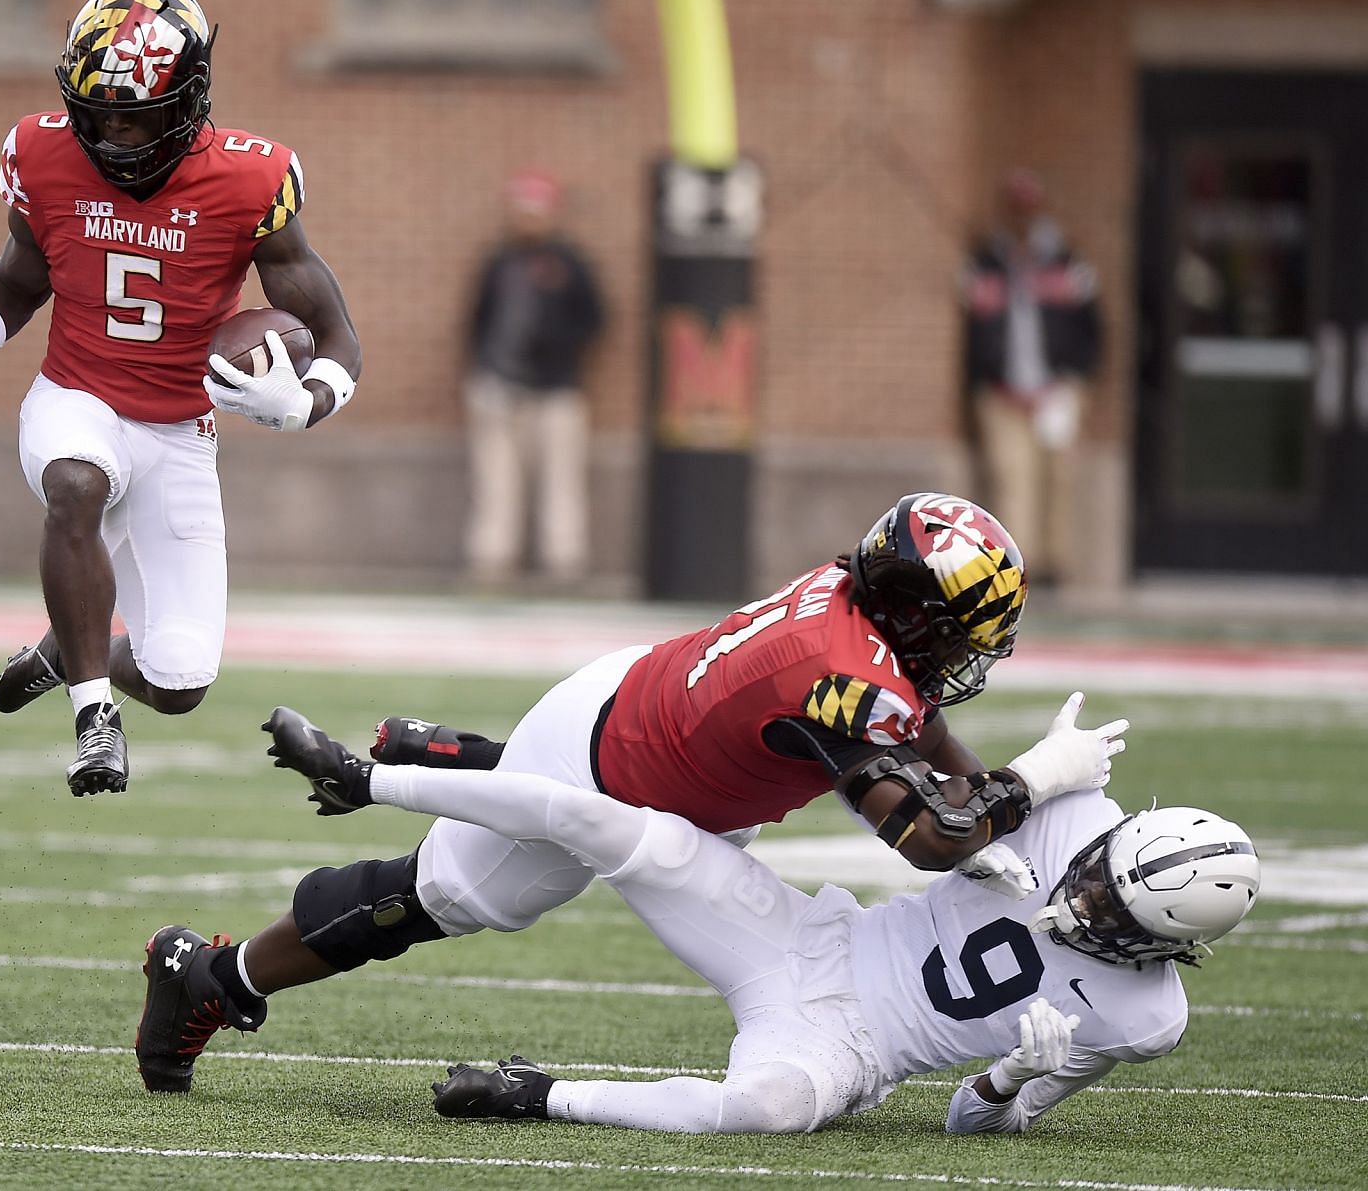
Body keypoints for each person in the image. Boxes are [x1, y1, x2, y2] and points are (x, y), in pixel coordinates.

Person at [132, 493, 1132, 1094]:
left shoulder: (857, 605)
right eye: (961, 632)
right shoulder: (845, 672)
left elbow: (907, 725)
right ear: (912, 614)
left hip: (657, 726)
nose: (966, 655)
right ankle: (212, 976)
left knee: (500, 868)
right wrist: (1030, 779)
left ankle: (462, 757)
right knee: (436, 897)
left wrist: (980, 786)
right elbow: (923, 835)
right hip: (605, 768)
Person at [285, 740, 1260, 1134]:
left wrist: (1008, 1083)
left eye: (1107, 911)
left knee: (773, 1105)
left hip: (854, 1045)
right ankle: (370, 775)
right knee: (617, 824)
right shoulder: (1072, 816)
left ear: (1159, 947)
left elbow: (973, 1122)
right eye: (1094, 870)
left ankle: (537, 1093)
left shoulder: (1142, 1016)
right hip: (807, 937)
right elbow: (945, 791)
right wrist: (1031, 778)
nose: (1081, 893)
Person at [0, 0, 361, 797]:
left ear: (188, 100)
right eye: (97, 111)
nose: (113, 133)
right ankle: (93, 719)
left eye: (135, 114)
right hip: (76, 398)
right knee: (77, 486)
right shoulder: (41, 154)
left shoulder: (252, 181)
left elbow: (337, 337)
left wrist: (305, 403)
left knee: (181, 682)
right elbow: (18, 279)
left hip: (181, 432)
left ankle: (64, 648)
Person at [462, 168, 605, 589]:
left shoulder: (570, 263)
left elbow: (594, 320)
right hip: (498, 385)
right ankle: (492, 560)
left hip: (555, 388)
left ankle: (563, 561)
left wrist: (557, 351)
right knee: (494, 480)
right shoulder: (499, 262)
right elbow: (478, 319)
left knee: (561, 479)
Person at [961, 169, 1102, 587]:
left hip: (1056, 391)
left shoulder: (1066, 261)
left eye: (1029, 210)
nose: (1023, 220)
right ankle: (1013, 569)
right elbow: (972, 332)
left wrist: (1077, 380)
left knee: (1059, 479)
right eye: (1015, 211)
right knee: (1011, 479)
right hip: (1003, 393)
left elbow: (1093, 329)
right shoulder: (985, 262)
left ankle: (1053, 568)